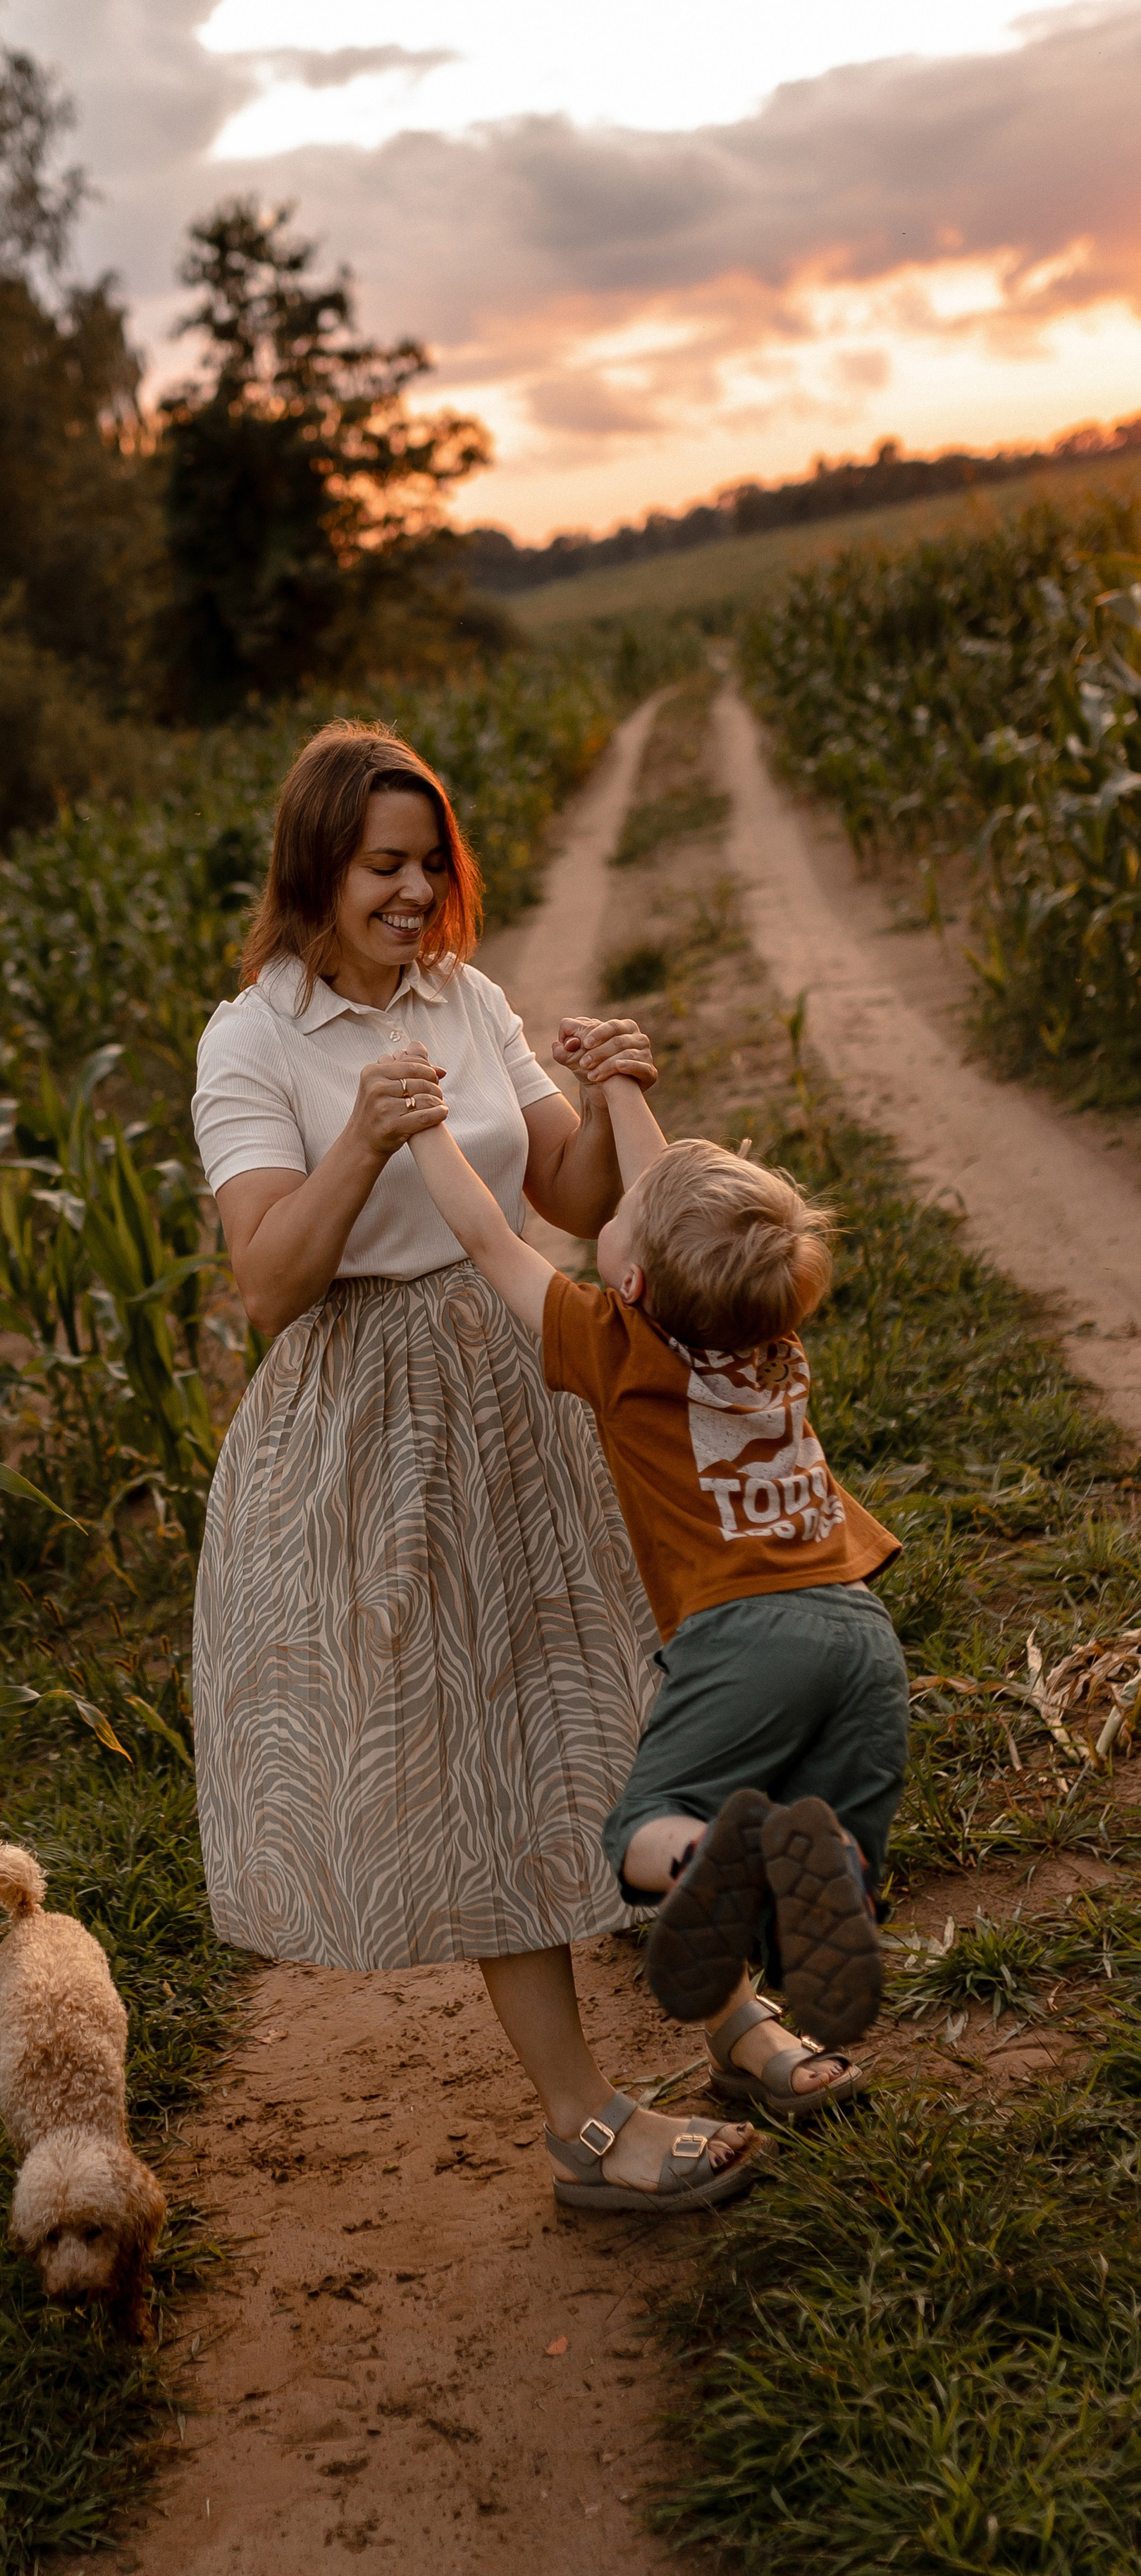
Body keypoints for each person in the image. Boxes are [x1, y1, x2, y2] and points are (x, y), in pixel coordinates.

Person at [191, 718, 765, 2214]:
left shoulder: (464, 995)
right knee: (489, 1759)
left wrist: (616, 1077)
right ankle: (582, 2118)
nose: (409, 892)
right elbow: (265, 1286)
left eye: (425, 862)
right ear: (314, 867)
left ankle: (735, 2016)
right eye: (381, 865)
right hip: (377, 1417)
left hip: (532, 1374)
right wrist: (359, 1149)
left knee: (636, 1698)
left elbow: (567, 1186)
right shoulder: (250, 1038)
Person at [400, 1035, 908, 2146]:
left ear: (629, 1280)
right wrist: (621, 1088)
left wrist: (419, 1130)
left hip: (743, 1637)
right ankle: (830, 1880)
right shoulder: (773, 1336)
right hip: (859, 1627)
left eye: (618, 1223)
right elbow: (676, 1206)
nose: (611, 1212)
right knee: (818, 1824)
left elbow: (490, 1233)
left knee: (640, 1828)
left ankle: (719, 1861)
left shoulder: (618, 1345)